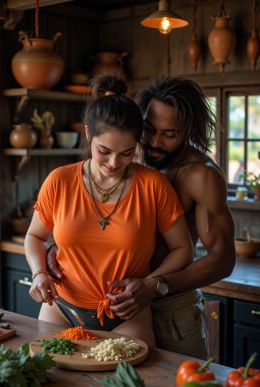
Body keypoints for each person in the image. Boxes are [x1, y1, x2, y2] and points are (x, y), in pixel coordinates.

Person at [46, 76, 236, 359]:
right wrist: (54, 249)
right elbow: (84, 215)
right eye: (148, 130)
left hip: (172, 309)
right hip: (111, 306)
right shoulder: (124, 156)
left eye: (169, 134)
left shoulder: (201, 176)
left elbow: (223, 259)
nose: (155, 142)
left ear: (188, 131)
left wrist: (156, 285)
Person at [24, 75, 193, 348]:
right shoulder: (60, 180)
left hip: (128, 315)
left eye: (127, 153)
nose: (114, 163)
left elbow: (184, 249)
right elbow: (34, 236)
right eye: (104, 151)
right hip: (61, 309)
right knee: (50, 382)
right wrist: (38, 273)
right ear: (88, 133)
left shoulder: (153, 185)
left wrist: (150, 283)